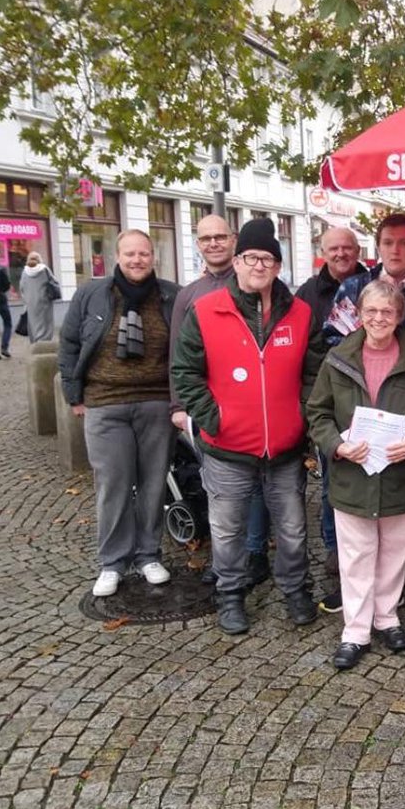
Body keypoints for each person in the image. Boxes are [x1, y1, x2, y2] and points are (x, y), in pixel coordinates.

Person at [172, 218, 324, 635]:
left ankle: (295, 590)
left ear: (278, 266)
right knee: (227, 530)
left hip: (285, 447)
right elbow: (185, 371)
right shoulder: (206, 310)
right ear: (236, 261)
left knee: (292, 528)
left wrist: (303, 417)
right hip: (227, 447)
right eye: (251, 257)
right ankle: (231, 595)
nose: (259, 265)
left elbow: (314, 374)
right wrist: (212, 417)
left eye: (268, 259)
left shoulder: (300, 313)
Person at [307, 280, 405, 670]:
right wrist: (336, 445)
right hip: (352, 473)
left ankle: (387, 618)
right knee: (355, 554)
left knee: (394, 551)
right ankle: (355, 630)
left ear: (399, 315)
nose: (379, 318)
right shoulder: (338, 359)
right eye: (371, 312)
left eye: (387, 311)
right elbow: (317, 413)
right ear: (359, 315)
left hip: (400, 472)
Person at [59, 230, 180, 597]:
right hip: (105, 403)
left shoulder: (170, 295)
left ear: (153, 257)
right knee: (113, 484)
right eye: (130, 254)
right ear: (117, 255)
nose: (137, 260)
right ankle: (112, 562)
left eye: (143, 254)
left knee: (153, 483)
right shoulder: (91, 294)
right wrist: (74, 395)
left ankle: (148, 555)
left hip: (157, 403)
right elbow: (70, 343)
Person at [170, 215, 272, 588]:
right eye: (205, 238)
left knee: (259, 487)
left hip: (257, 416)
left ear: (234, 241)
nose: (213, 243)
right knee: (221, 489)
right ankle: (228, 562)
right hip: (212, 415)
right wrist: (181, 407)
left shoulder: (260, 283)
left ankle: (257, 551)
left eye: (220, 237)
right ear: (198, 244)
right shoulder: (190, 295)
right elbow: (178, 359)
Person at [296, 226, 370, 611]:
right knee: (331, 479)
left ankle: (375, 550)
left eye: (348, 247)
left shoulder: (372, 285)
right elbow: (300, 351)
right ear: (322, 251)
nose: (341, 253)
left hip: (370, 399)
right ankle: (334, 547)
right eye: (333, 248)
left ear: (358, 250)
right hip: (326, 398)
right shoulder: (307, 295)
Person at [325, 212, 405, 353]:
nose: (395, 250)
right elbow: (332, 337)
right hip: (359, 373)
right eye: (388, 243)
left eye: (404, 243)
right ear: (378, 248)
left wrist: (397, 303)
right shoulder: (353, 288)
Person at [20, 251, 58, 343]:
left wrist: (25, 299)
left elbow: (22, 287)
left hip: (30, 302)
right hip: (44, 300)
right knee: (45, 321)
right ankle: (45, 340)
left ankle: (35, 341)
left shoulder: (25, 271)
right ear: (39, 259)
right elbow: (54, 282)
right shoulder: (44, 269)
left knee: (33, 322)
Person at [0, 263, 11, 358]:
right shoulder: (1, 269)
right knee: (7, 324)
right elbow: (7, 285)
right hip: (1, 299)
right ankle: (4, 347)